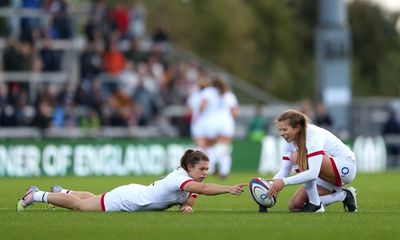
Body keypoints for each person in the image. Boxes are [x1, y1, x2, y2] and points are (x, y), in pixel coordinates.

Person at [17, 149, 246, 212]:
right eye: (202, 168)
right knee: (81, 207)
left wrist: (186, 206)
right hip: (127, 200)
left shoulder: (188, 182)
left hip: (135, 193)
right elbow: (204, 189)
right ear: (189, 167)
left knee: (94, 199)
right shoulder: (181, 178)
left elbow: (191, 197)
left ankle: (64, 191)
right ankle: (36, 194)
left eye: (208, 169)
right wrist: (228, 188)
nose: (206, 172)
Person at [267, 109, 357, 213]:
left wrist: (283, 182)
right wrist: (270, 186)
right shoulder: (289, 141)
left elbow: (313, 173)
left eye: (285, 129)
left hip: (345, 167)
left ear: (297, 127)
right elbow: (284, 171)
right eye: (280, 130)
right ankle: (344, 195)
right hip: (323, 171)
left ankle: (316, 204)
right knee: (295, 206)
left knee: (298, 156)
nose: (281, 133)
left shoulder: (313, 135)